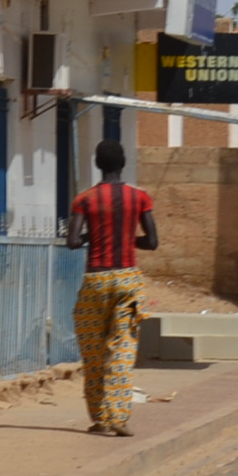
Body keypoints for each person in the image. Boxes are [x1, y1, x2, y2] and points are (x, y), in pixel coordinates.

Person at [66, 138, 159, 437]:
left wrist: (96, 238)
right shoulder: (140, 198)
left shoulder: (84, 200)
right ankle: (118, 415)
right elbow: (153, 242)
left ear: (97, 164)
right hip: (129, 282)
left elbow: (72, 242)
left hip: (95, 280)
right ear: (123, 164)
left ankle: (99, 419)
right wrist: (127, 240)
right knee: (122, 349)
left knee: (93, 352)